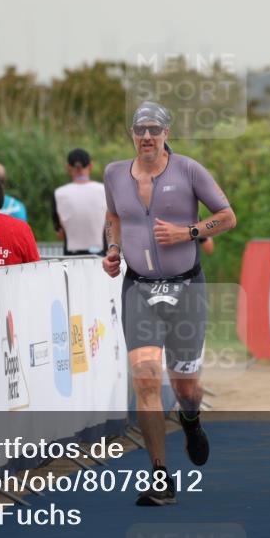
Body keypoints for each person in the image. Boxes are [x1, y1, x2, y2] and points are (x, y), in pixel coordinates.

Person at [103, 101, 236, 506]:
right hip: (139, 289)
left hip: (185, 289)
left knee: (186, 388)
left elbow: (227, 216)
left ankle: (191, 419)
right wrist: (112, 249)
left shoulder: (189, 170)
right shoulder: (113, 174)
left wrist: (189, 232)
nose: (146, 136)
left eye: (154, 130)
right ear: (132, 133)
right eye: (140, 129)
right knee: (144, 378)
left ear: (166, 133)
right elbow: (114, 216)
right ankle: (160, 477)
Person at [52, 148, 107, 255]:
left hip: (71, 255)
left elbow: (60, 233)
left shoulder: (58, 193)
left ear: (68, 167)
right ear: (90, 166)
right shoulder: (105, 190)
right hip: (100, 254)